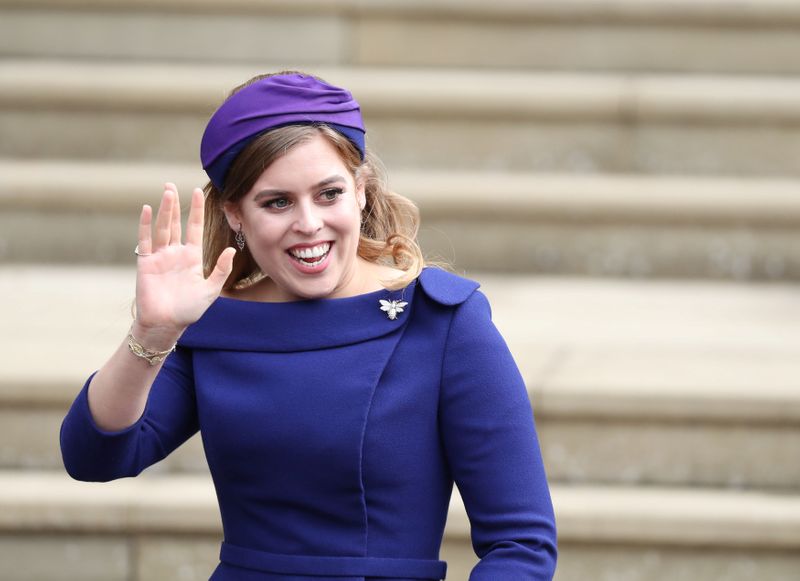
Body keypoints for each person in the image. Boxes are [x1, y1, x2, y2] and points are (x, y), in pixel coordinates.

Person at [60, 71, 557, 580]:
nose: (309, 224)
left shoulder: (443, 321)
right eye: (277, 202)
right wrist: (150, 334)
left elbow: (521, 544)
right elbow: (93, 456)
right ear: (235, 214)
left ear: (361, 192)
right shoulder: (214, 323)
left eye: (328, 194)